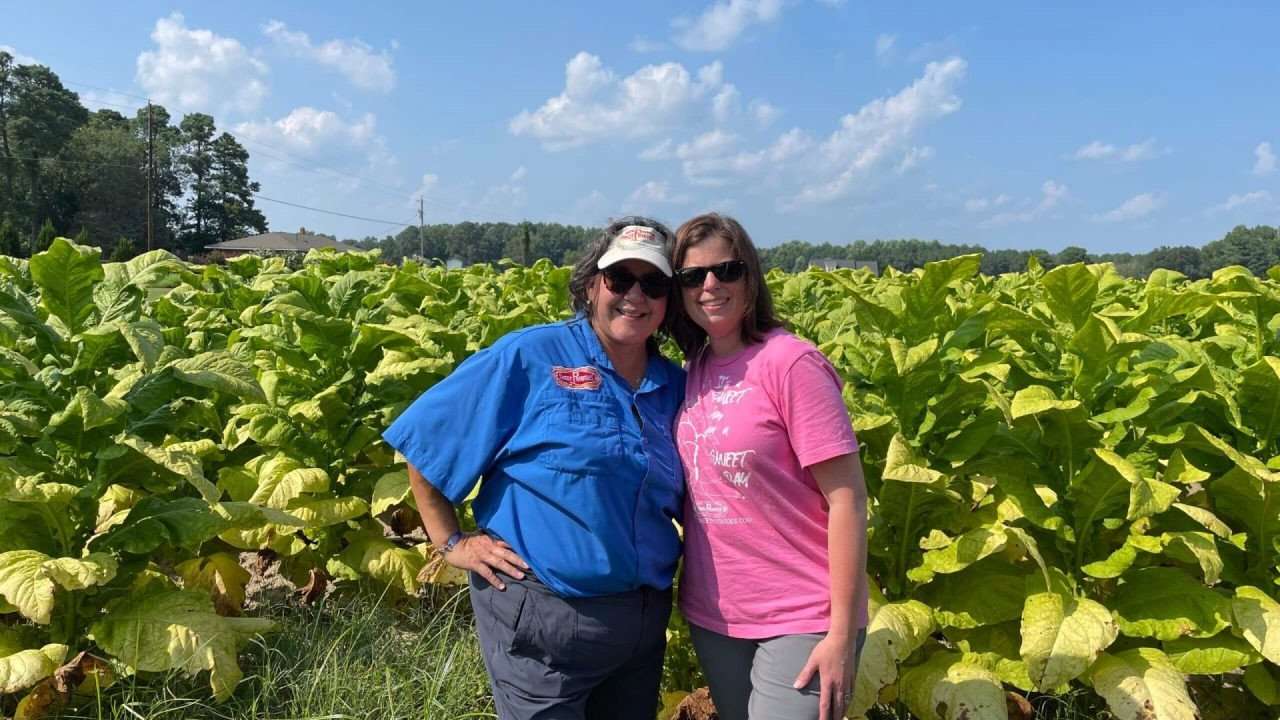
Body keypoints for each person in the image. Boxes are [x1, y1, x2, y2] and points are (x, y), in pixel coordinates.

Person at [381, 218, 686, 720]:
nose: (635, 294)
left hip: (641, 626)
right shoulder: (531, 355)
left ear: (669, 301)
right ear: (592, 285)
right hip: (544, 617)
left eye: (653, 283)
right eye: (619, 279)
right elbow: (430, 442)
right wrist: (452, 542)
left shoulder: (673, 385)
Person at [669, 213, 869, 720]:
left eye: (726, 270)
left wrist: (841, 632)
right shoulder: (695, 370)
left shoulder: (792, 364)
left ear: (750, 277)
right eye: (693, 277)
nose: (710, 285)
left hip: (804, 614)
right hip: (717, 616)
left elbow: (847, 498)